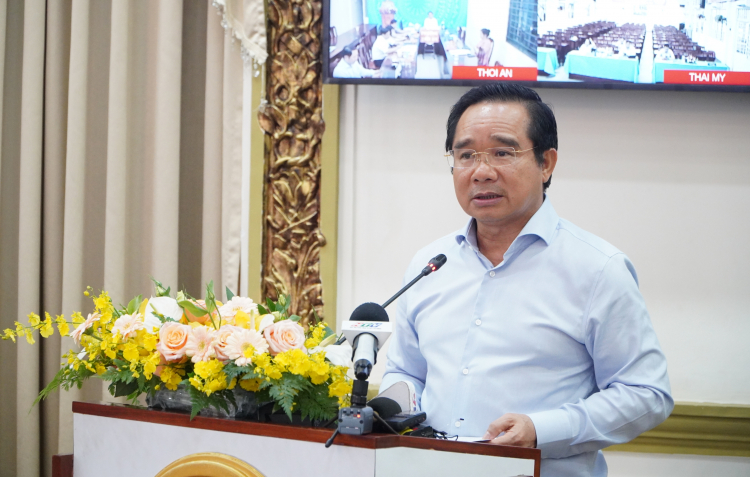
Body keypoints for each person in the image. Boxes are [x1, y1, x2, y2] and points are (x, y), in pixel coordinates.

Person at [381, 83, 673, 477]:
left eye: (502, 153)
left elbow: (646, 395)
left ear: (546, 163)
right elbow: (406, 373)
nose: (481, 172)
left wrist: (541, 430)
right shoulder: (431, 265)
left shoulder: (598, 269)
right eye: (465, 155)